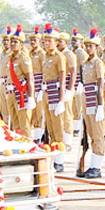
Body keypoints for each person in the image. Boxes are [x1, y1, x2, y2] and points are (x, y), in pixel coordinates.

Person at [78, 30, 105, 179]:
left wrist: (101, 105)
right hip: (86, 99)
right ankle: (91, 165)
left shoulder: (98, 63)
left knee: (97, 134)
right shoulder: (85, 63)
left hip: (95, 100)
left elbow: (101, 84)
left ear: (96, 48)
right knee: (90, 133)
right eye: (87, 46)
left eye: (91, 46)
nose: (88, 48)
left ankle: (97, 166)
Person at [41, 26, 67, 171]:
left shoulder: (59, 57)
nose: (46, 43)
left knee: (57, 128)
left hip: (55, 93)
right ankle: (53, 156)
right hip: (46, 93)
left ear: (56, 42)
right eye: (45, 40)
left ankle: (60, 160)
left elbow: (62, 79)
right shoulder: (45, 57)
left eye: (49, 40)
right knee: (50, 128)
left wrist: (61, 100)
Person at [3, 28, 35, 136]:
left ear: (21, 44)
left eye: (15, 42)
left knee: (24, 123)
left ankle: (28, 145)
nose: (12, 44)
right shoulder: (10, 58)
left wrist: (31, 97)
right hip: (11, 93)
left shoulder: (23, 58)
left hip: (21, 93)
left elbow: (30, 78)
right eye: (11, 41)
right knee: (15, 123)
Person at [57, 31, 77, 150]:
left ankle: (68, 140)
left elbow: (73, 72)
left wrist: (69, 89)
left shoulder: (68, 54)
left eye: (60, 41)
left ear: (66, 42)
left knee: (67, 113)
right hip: (58, 85)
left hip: (67, 85)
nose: (58, 43)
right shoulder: (56, 54)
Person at [29, 28, 47, 141]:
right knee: (33, 112)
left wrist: (41, 88)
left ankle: (39, 136)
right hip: (32, 86)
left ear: (40, 41)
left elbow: (45, 71)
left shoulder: (42, 54)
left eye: (35, 40)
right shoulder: (29, 54)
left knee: (40, 113)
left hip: (39, 85)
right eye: (31, 40)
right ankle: (35, 135)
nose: (32, 42)